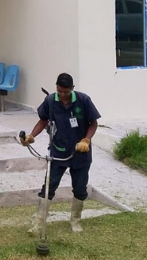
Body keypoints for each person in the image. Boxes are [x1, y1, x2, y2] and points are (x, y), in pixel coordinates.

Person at [20, 73, 100, 233]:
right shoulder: (50, 101)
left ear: (72, 88)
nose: (62, 95)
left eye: (66, 91)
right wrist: (31, 136)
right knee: (48, 187)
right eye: (59, 91)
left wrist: (86, 139)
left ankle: (75, 221)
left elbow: (93, 123)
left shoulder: (83, 100)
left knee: (79, 188)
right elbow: (43, 120)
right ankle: (39, 223)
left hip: (80, 152)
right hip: (58, 151)